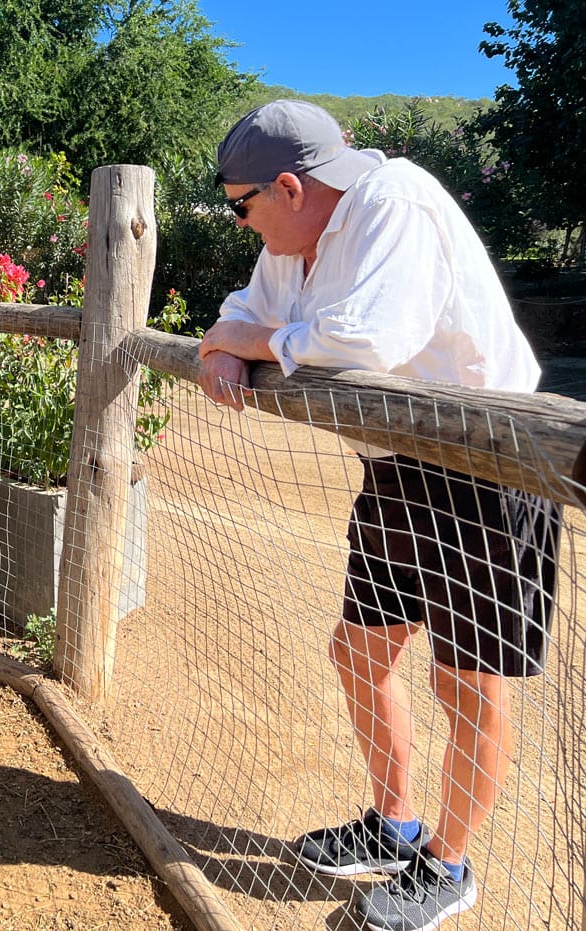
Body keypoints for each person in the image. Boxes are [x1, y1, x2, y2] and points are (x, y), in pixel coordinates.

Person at [198, 99, 562, 931]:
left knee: (467, 681)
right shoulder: (293, 245)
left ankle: (449, 862)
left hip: (492, 465)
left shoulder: (392, 203)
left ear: (289, 187)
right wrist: (231, 337)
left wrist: (247, 345)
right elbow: (244, 310)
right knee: (358, 648)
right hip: (401, 466)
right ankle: (394, 826)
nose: (243, 225)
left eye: (241, 206)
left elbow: (366, 342)